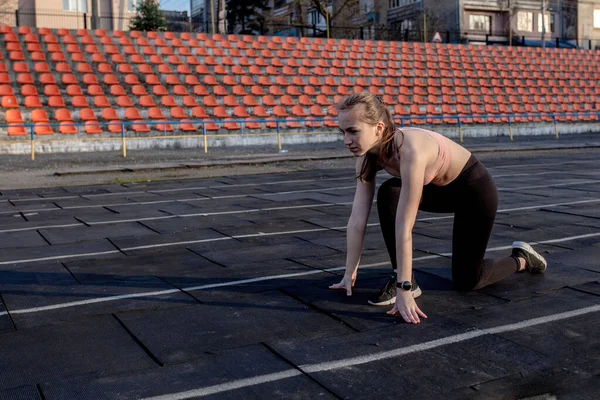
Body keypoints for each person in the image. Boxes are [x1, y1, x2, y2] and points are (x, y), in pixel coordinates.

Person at [328, 92, 548, 324]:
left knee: (468, 281)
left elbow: (405, 226)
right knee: (389, 192)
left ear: (379, 128)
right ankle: (404, 277)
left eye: (353, 131)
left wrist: (403, 292)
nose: (346, 140)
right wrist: (349, 273)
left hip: (474, 192)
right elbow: (357, 219)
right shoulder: (365, 157)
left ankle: (522, 258)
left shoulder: (409, 150)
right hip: (439, 191)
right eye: (342, 132)